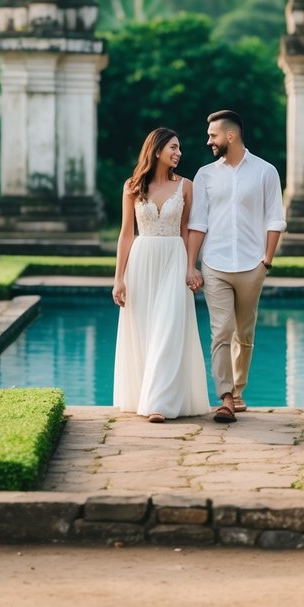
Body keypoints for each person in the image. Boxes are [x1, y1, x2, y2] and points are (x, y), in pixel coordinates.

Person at [186, 110, 286, 423]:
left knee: (244, 332)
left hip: (251, 264)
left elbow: (275, 217)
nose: (208, 141)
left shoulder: (265, 171)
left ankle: (238, 390)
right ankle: (226, 399)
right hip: (215, 263)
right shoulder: (205, 175)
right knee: (221, 331)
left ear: (231, 136)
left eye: (213, 135)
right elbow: (198, 222)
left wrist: (266, 260)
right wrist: (192, 264)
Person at [112, 127, 209, 422]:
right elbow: (126, 234)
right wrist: (119, 278)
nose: (179, 153)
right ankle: (145, 395)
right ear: (157, 151)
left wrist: (191, 265)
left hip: (173, 259)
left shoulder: (187, 186)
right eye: (173, 148)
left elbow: (188, 230)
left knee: (169, 329)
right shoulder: (132, 186)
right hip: (141, 261)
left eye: (179, 149)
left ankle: (158, 404)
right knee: (144, 330)